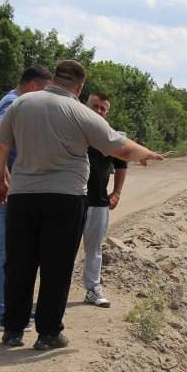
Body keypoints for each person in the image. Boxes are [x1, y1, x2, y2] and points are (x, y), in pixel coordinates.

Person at [0, 60, 163, 351]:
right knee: (56, 266)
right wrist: (147, 153)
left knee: (19, 263)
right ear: (80, 86)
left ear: (54, 78)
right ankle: (48, 333)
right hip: (65, 198)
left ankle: (12, 330)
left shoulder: (22, 104)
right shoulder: (81, 112)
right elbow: (118, 146)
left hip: (22, 195)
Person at [0, 65, 52, 329]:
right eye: (44, 91)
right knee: (4, 250)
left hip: (12, 186)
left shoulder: (11, 100)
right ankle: (0, 313)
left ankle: (12, 308)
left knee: (12, 250)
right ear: (34, 86)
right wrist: (3, 176)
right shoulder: (13, 103)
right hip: (7, 189)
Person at [80, 91, 126, 309]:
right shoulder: (74, 131)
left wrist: (116, 193)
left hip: (98, 201)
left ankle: (93, 289)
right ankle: (49, 296)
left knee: (94, 248)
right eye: (95, 106)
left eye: (102, 108)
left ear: (107, 112)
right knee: (60, 248)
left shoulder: (111, 136)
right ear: (85, 105)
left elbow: (122, 165)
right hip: (70, 200)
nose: (98, 111)